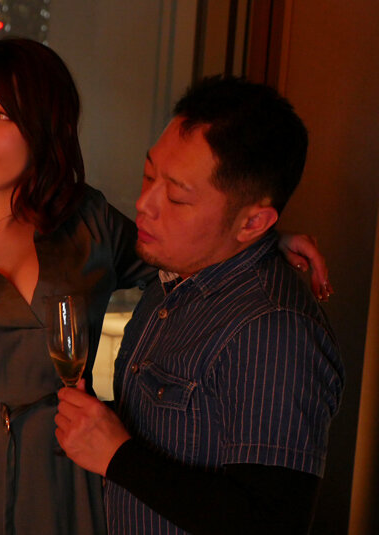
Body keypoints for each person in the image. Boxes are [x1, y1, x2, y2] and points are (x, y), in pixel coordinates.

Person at [0, 39, 330, 535]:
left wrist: (264, 240)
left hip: (78, 491)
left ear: (45, 128)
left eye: (2, 115)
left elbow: (184, 256)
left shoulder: (87, 224)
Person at [55, 76, 345, 534]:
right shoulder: (177, 273)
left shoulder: (273, 330)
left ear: (252, 222)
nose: (144, 203)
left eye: (176, 196)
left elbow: (272, 521)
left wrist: (118, 456)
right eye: (149, 175)